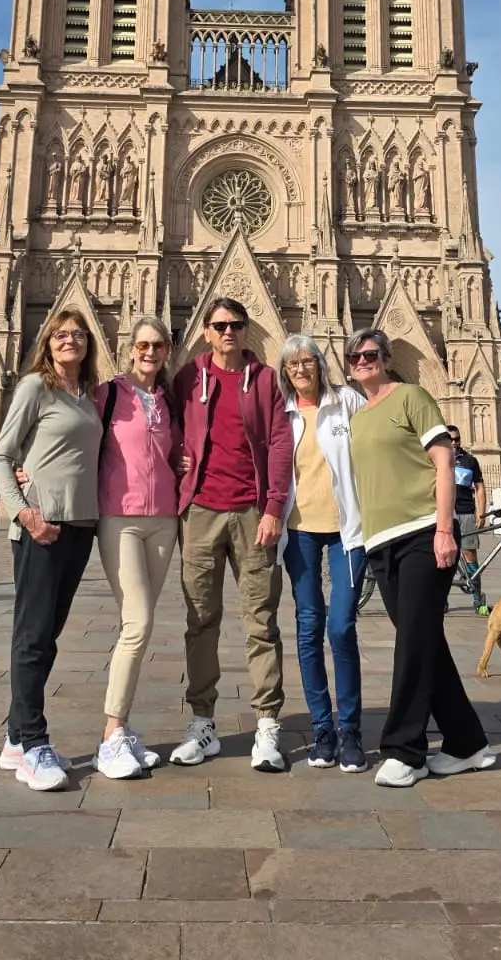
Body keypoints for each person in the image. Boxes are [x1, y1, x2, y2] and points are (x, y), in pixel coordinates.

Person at [344, 327, 493, 788]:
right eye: (354, 357)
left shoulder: (411, 396)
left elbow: (444, 462)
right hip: (381, 541)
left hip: (423, 534)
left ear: (387, 358)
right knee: (424, 637)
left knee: (412, 639)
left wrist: (446, 529)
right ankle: (467, 743)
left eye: (371, 355)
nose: (363, 362)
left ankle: (405, 749)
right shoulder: (358, 416)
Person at [170, 296, 292, 773]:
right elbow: (165, 424)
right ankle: (203, 723)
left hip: (251, 513)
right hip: (199, 512)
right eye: (220, 325)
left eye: (236, 325)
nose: (228, 332)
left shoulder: (265, 381)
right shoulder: (187, 377)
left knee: (261, 622)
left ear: (246, 330)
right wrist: (177, 455)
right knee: (200, 619)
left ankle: (267, 726)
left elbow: (281, 442)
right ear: (205, 331)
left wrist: (274, 506)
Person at [0, 307, 102, 792]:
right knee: (33, 635)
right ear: (47, 341)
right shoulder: (37, 386)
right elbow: (1, 456)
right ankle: (34, 743)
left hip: (78, 525)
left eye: (78, 334)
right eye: (61, 335)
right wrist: (23, 512)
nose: (70, 341)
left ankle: (16, 736)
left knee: (46, 634)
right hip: (42, 524)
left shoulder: (89, 396)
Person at [92, 315, 182, 780]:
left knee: (139, 626)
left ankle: (121, 730)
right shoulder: (107, 394)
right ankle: (111, 734)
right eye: (143, 345)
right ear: (130, 348)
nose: (150, 352)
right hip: (120, 519)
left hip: (163, 520)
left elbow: (178, 452)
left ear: (167, 352)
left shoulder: (169, 402)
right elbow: (73, 435)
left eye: (159, 346)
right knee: (139, 622)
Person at [278, 334, 368, 773]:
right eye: (292, 363)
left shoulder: (348, 402)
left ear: (320, 364)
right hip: (299, 533)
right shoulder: (283, 412)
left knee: (341, 626)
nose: (301, 368)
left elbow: (379, 446)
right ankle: (322, 729)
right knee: (308, 629)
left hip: (347, 533)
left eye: (307, 361)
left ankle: (350, 728)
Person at [446, 424, 488, 613]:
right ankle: (441, 600)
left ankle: (478, 598)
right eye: (450, 439)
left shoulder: (470, 460)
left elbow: (479, 487)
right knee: (443, 557)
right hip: (445, 513)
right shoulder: (436, 459)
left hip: (465, 512)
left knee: (470, 554)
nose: (454, 442)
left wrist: (481, 512)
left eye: (457, 439)